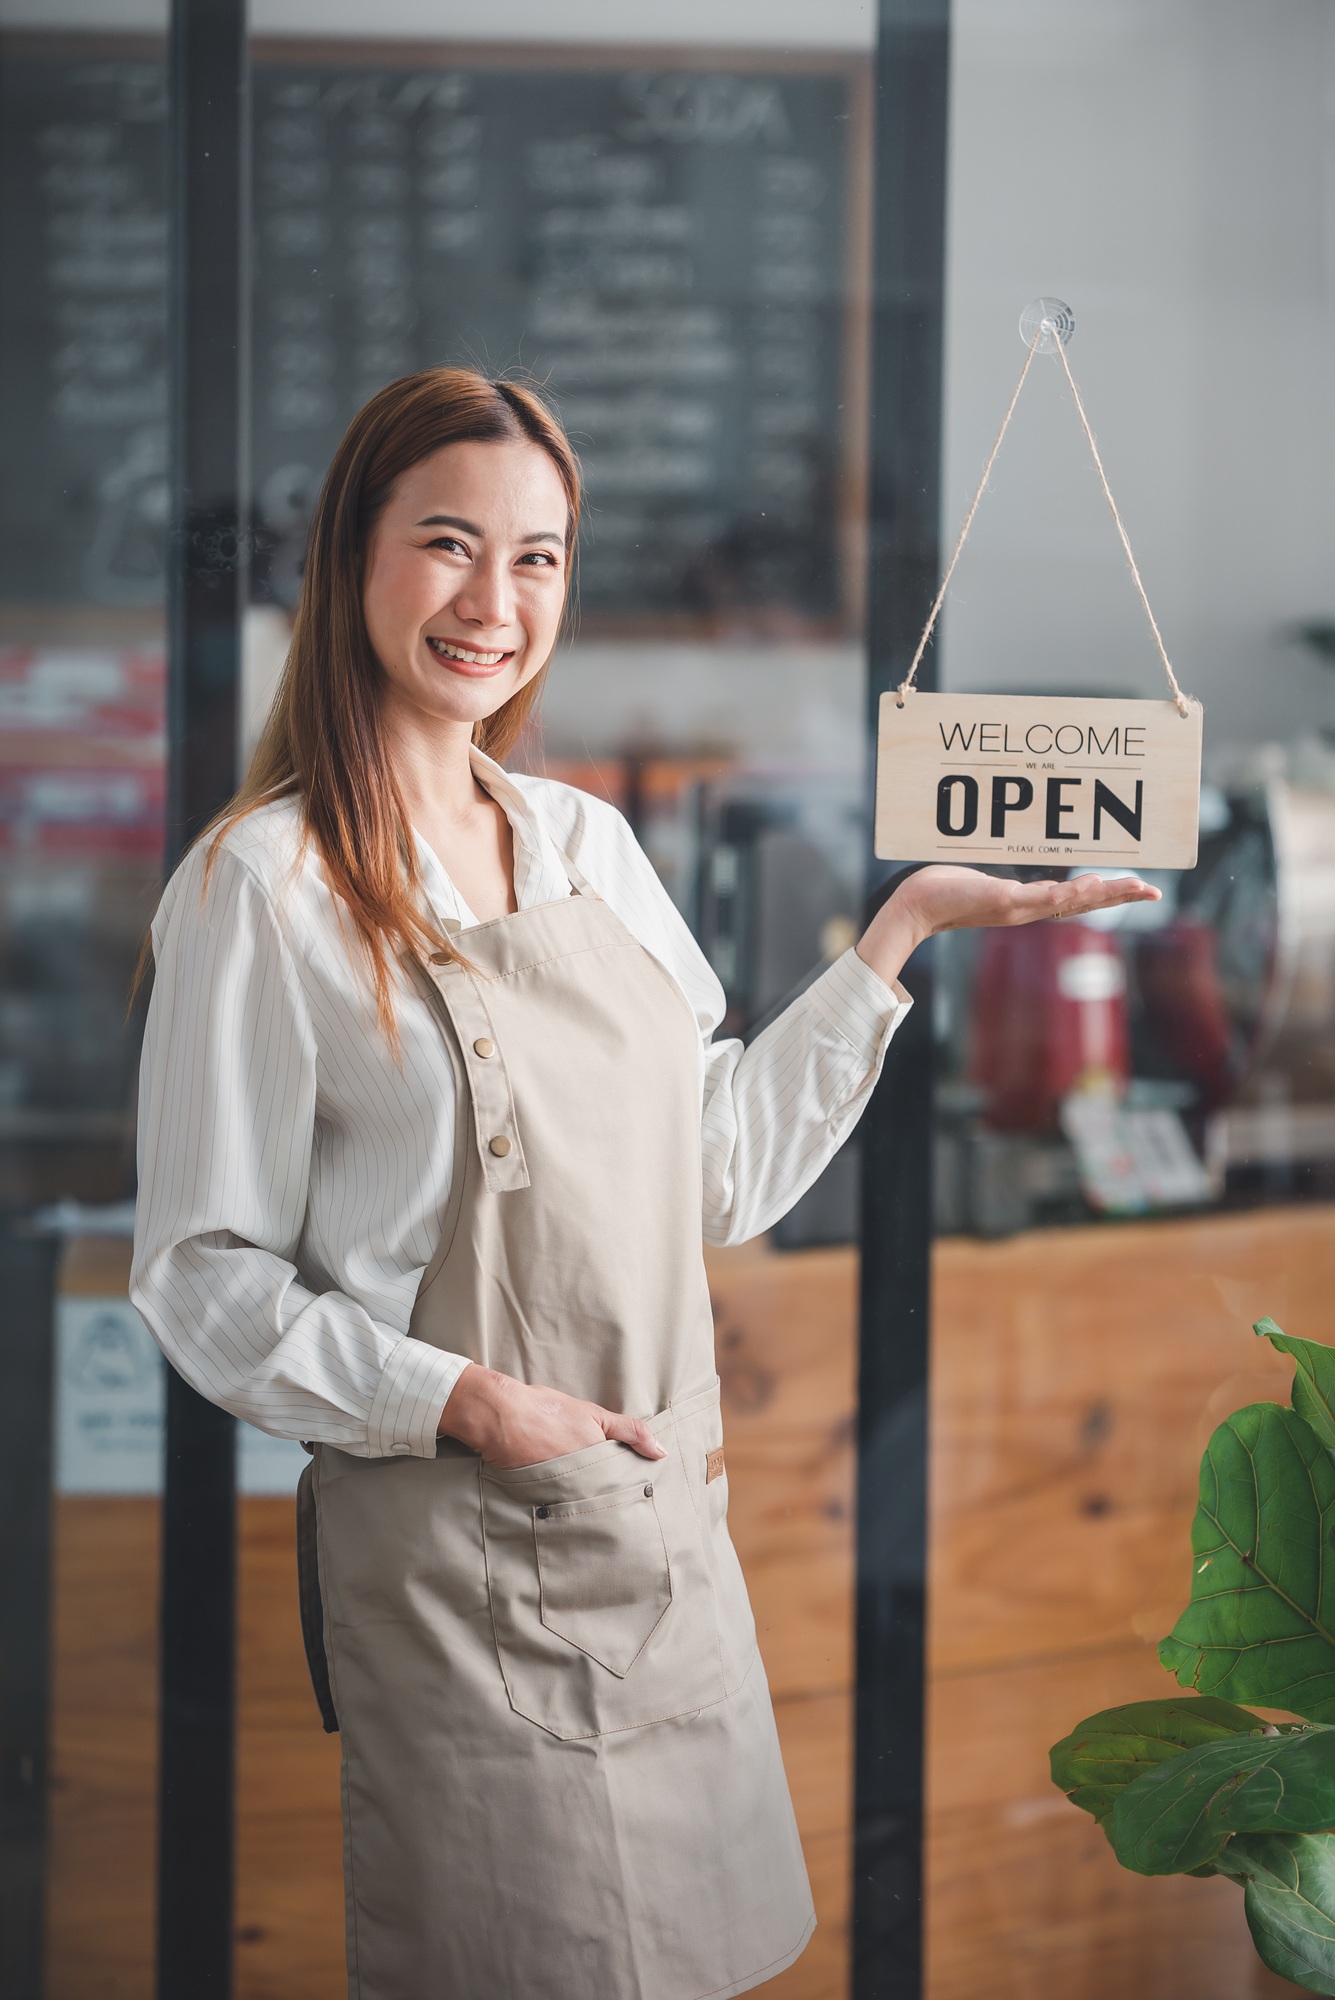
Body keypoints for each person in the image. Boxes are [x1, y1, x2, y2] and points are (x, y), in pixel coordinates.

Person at [131, 367, 1159, 1999]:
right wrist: (468, 1399)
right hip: (456, 1570)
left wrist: (895, 942)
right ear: (354, 555)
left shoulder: (589, 846)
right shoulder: (262, 886)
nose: (494, 601)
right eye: (449, 543)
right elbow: (200, 1270)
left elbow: (723, 1169)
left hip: (658, 1539)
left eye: (538, 558)